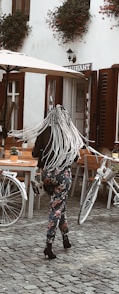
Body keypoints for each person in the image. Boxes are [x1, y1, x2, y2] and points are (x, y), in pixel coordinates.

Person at [9, 105, 84, 259]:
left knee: (59, 206)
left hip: (47, 175)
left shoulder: (44, 132)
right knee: (56, 208)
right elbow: (75, 157)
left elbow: (36, 153)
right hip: (63, 176)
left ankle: (66, 239)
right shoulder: (68, 134)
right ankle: (48, 245)